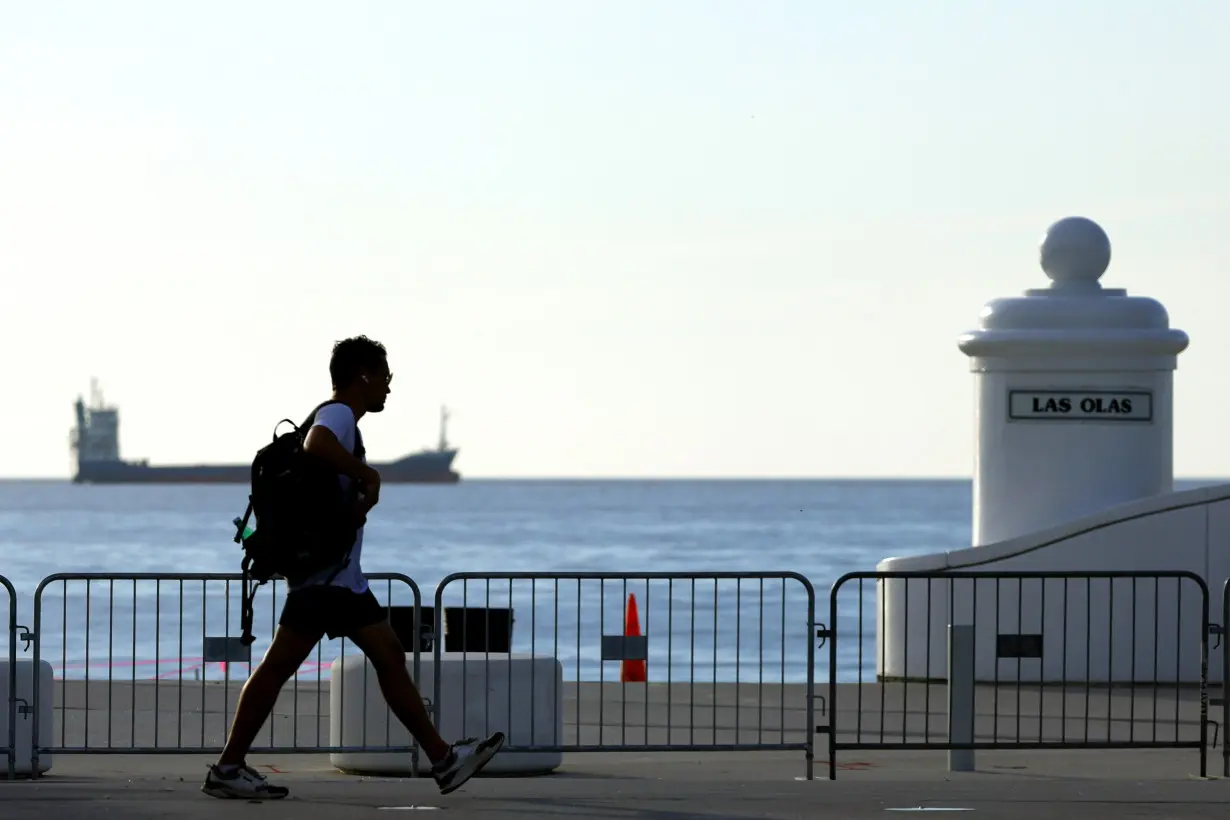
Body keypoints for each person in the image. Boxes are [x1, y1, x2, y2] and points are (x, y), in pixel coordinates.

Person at [202, 335, 503, 800]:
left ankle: (442, 758)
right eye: (384, 377)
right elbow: (316, 443)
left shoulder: (343, 420)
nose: (388, 387)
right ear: (363, 376)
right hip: (330, 583)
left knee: (381, 657)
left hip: (334, 578)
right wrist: (368, 475)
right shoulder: (338, 415)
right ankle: (442, 759)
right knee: (299, 667)